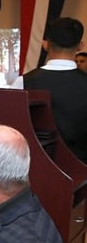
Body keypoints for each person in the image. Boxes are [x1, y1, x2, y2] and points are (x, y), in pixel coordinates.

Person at [13, 17, 87, 163]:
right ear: (80, 46)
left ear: (45, 44)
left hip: (35, 167)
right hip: (83, 169)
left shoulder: (23, 82)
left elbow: (13, 128)